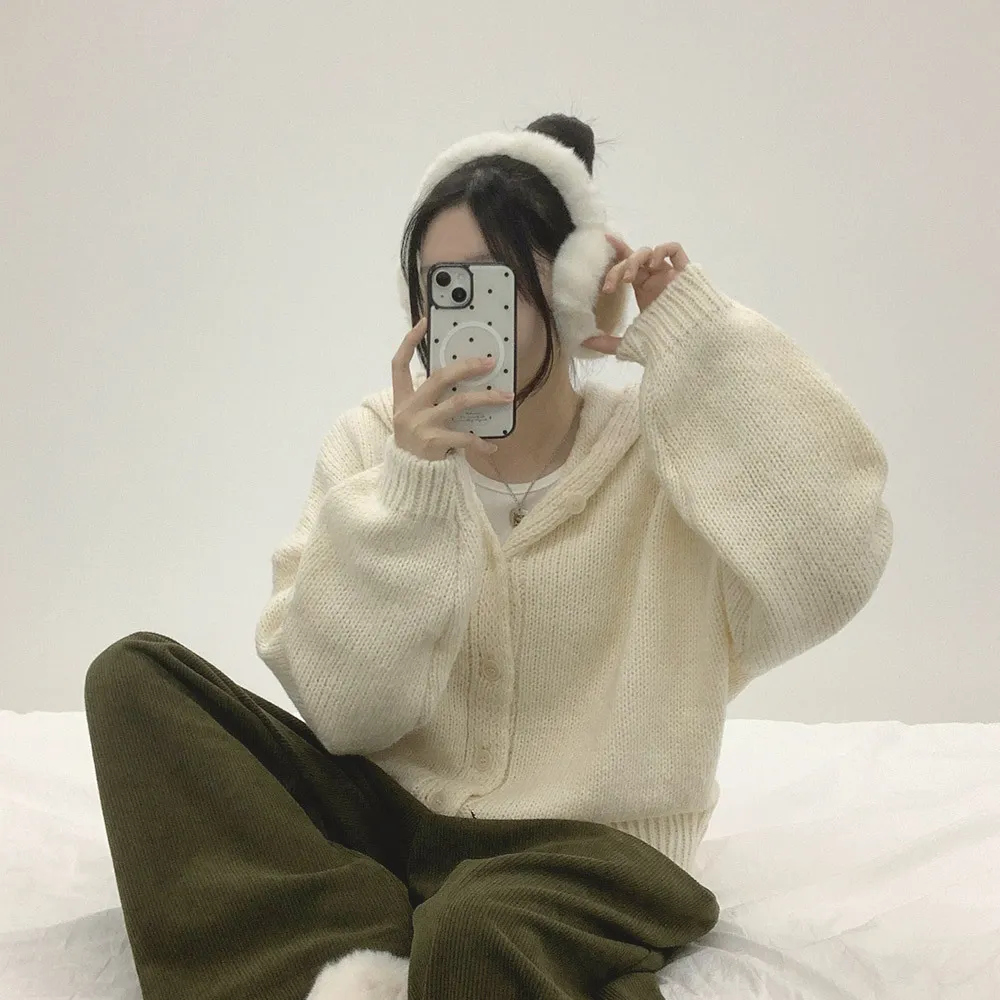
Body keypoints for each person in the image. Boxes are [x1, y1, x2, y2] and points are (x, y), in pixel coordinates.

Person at [83, 112, 894, 1000]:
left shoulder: (669, 452)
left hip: (587, 860)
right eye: (442, 288)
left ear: (571, 292)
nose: (463, 316)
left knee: (476, 931)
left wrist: (692, 339)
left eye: (493, 283)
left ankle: (393, 947)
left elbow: (833, 564)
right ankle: (363, 953)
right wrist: (409, 495)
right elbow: (347, 717)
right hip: (391, 826)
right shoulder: (375, 446)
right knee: (133, 680)